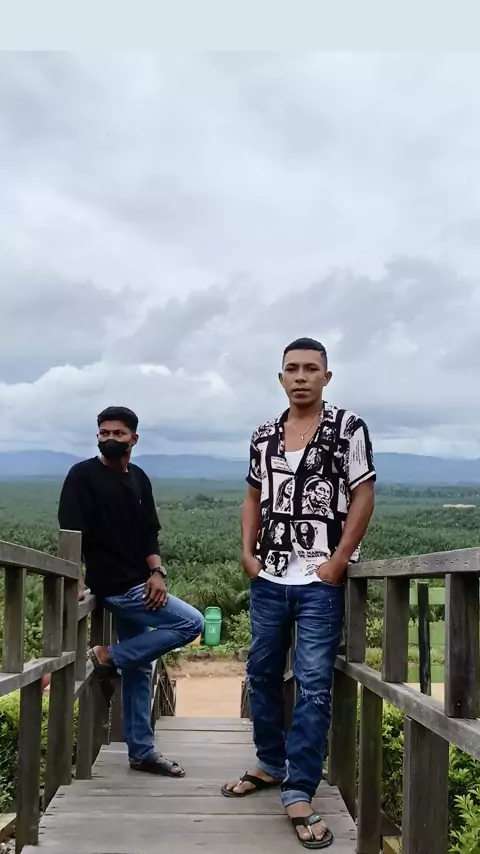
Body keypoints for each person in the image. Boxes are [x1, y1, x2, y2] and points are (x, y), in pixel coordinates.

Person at [222, 338, 375, 849]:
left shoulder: (347, 427)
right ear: (281, 377)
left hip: (318, 581)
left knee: (312, 684)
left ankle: (300, 789)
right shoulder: (264, 434)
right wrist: (247, 554)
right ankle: (270, 762)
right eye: (293, 368)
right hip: (269, 577)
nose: (301, 376)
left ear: (326, 377)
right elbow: (252, 495)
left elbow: (363, 493)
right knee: (261, 672)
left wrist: (338, 560)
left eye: (312, 368)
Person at [58, 406, 203, 777]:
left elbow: (148, 533)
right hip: (116, 587)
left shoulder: (138, 478)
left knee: (138, 666)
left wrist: (157, 572)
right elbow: (71, 530)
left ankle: (141, 752)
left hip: (142, 583)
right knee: (192, 623)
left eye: (118, 433)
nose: (109, 438)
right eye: (103, 432)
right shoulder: (82, 475)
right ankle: (107, 654)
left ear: (133, 439)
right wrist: (76, 581)